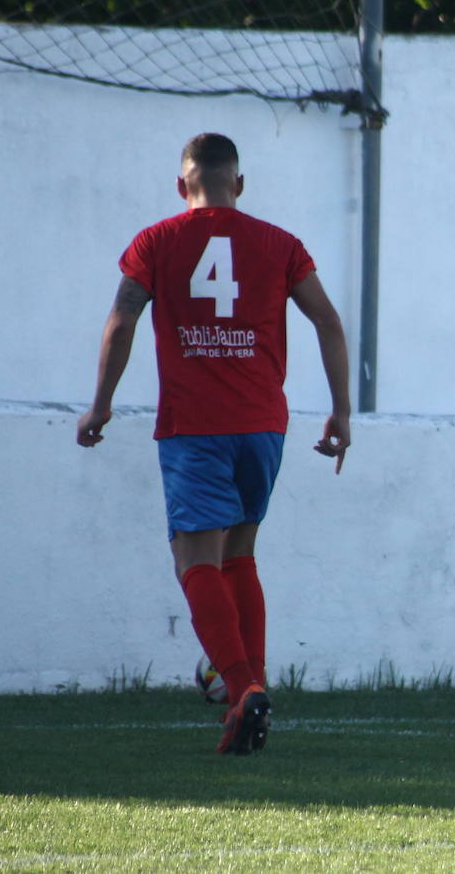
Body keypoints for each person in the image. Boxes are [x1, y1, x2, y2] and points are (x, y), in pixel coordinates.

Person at [76, 133, 351, 754]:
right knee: (240, 555)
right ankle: (251, 689)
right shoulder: (281, 244)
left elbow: (123, 319)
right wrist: (340, 412)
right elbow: (328, 320)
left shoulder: (155, 241)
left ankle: (242, 689)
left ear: (183, 186)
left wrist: (101, 404)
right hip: (262, 424)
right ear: (239, 183)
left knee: (195, 559)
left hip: (194, 423)